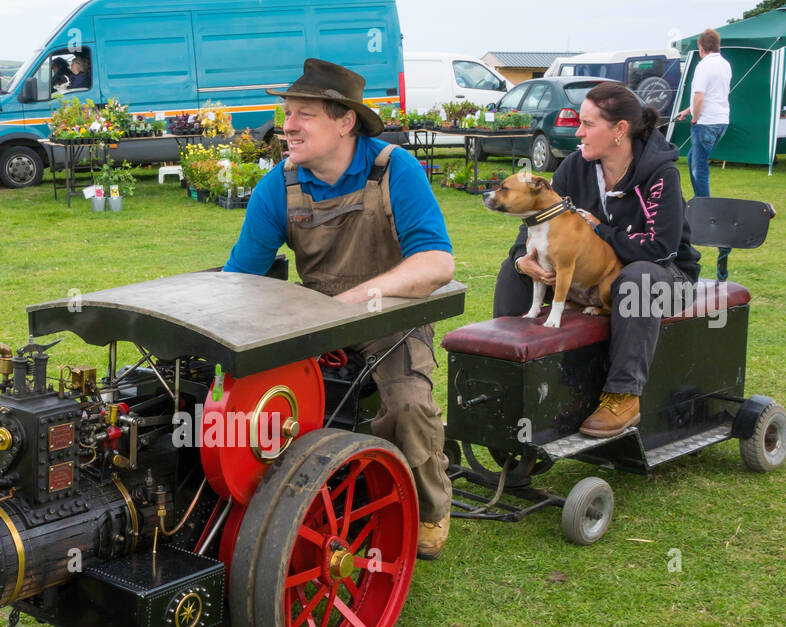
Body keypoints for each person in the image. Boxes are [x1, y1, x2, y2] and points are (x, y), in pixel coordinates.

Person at [223, 59, 456, 558]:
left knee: (408, 404)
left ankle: (432, 509)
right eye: (287, 113)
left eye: (303, 114)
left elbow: (437, 264)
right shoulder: (278, 187)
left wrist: (357, 299)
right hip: (313, 326)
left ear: (345, 121)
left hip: (390, 321)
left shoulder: (394, 169)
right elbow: (240, 279)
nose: (287, 126)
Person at [492, 81, 700, 439]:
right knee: (514, 272)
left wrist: (601, 230)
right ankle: (508, 374)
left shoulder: (661, 174)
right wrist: (521, 261)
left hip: (669, 277)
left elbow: (660, 249)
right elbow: (535, 225)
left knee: (636, 279)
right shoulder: (575, 167)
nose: (578, 131)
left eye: (588, 124)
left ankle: (624, 395)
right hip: (597, 278)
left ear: (620, 130)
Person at [676, 28, 732, 280]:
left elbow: (700, 96)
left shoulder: (702, 66)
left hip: (706, 122)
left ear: (701, 47)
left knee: (699, 167)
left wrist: (695, 118)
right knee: (692, 160)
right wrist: (687, 111)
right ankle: (701, 199)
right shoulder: (725, 64)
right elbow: (711, 96)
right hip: (722, 121)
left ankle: (703, 206)